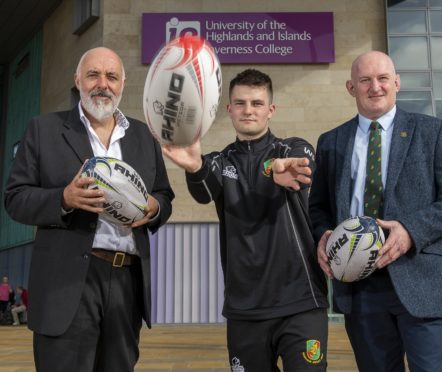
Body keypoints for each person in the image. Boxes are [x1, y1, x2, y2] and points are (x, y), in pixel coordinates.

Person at [4, 47, 174, 372]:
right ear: (77, 79)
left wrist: (153, 207)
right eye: (93, 74)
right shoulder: (44, 130)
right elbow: (15, 198)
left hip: (126, 280)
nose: (102, 84)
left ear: (123, 82)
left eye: (111, 76)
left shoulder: (143, 136)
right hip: (67, 282)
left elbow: (163, 195)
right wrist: (63, 199)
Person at [309, 50, 442, 372]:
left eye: (383, 78)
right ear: (351, 87)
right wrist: (323, 235)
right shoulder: (331, 141)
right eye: (365, 80)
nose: (375, 87)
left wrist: (411, 230)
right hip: (359, 285)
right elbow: (318, 207)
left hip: (420, 277)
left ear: (397, 83)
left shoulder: (432, 131)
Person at [163, 69, 328, 371]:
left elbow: (301, 168)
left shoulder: (293, 148)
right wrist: (194, 168)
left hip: (301, 301)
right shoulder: (218, 161)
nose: (248, 110)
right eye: (240, 103)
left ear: (270, 110)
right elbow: (203, 192)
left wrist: (279, 170)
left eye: (256, 103)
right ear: (229, 109)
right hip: (244, 309)